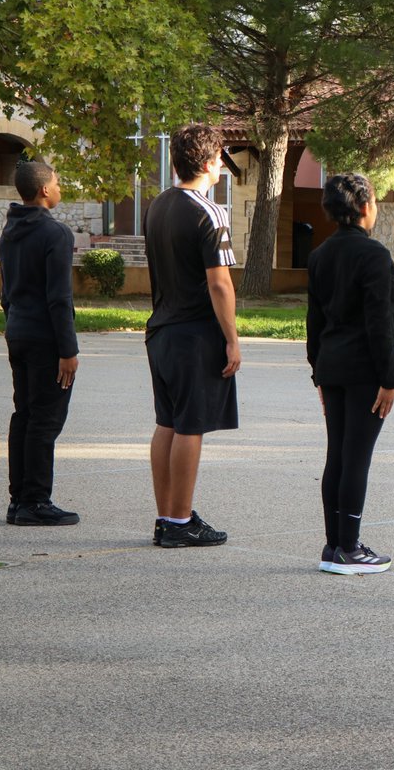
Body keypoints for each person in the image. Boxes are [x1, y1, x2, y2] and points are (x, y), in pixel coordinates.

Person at [143, 124, 240, 548]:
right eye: (219, 157)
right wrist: (232, 338)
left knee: (168, 422)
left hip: (161, 328)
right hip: (194, 333)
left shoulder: (158, 205)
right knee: (190, 426)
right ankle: (181, 522)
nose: (222, 164)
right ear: (205, 163)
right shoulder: (209, 211)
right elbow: (219, 283)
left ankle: (167, 517)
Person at [306, 173, 394, 575]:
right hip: (364, 371)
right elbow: (381, 323)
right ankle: (349, 548)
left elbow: (313, 322)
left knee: (338, 456)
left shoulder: (320, 254)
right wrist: (390, 378)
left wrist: (317, 373)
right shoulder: (374, 255)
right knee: (357, 457)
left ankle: (335, 544)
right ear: (364, 206)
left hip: (331, 366)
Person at [0, 161, 80, 526]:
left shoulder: (8, 232)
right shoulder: (55, 233)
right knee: (45, 419)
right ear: (45, 189)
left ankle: (19, 500)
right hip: (47, 338)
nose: (60, 188)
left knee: (25, 414)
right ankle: (36, 501)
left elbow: (7, 293)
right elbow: (59, 298)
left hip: (18, 331)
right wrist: (68, 350)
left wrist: (11, 324)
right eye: (58, 183)